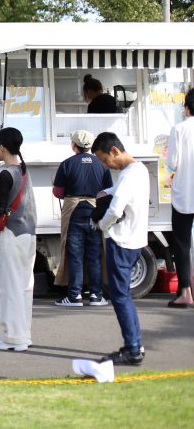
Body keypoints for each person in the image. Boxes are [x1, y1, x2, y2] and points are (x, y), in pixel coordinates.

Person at [91, 132, 150, 365]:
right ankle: (136, 344)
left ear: (115, 151)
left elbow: (115, 210)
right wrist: (107, 192)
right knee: (124, 296)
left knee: (120, 296)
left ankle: (132, 348)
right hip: (136, 240)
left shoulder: (127, 175)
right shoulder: (140, 169)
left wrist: (101, 226)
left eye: (105, 160)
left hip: (120, 240)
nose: (106, 165)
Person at [0, 127, 36, 352]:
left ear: (2, 147)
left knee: (8, 286)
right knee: (24, 286)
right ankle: (23, 333)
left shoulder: (6, 174)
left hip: (12, 233)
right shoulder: (22, 170)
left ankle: (12, 337)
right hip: (29, 232)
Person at [52, 129, 113, 307]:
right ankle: (96, 295)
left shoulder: (67, 164)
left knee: (75, 255)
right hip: (95, 213)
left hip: (74, 212)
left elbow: (58, 192)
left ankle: (74, 296)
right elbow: (107, 191)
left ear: (74, 145)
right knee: (94, 255)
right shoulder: (101, 164)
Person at [166, 89, 194, 308]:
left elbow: (173, 163)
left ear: (186, 108)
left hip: (185, 195)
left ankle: (185, 293)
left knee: (182, 245)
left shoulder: (179, 129)